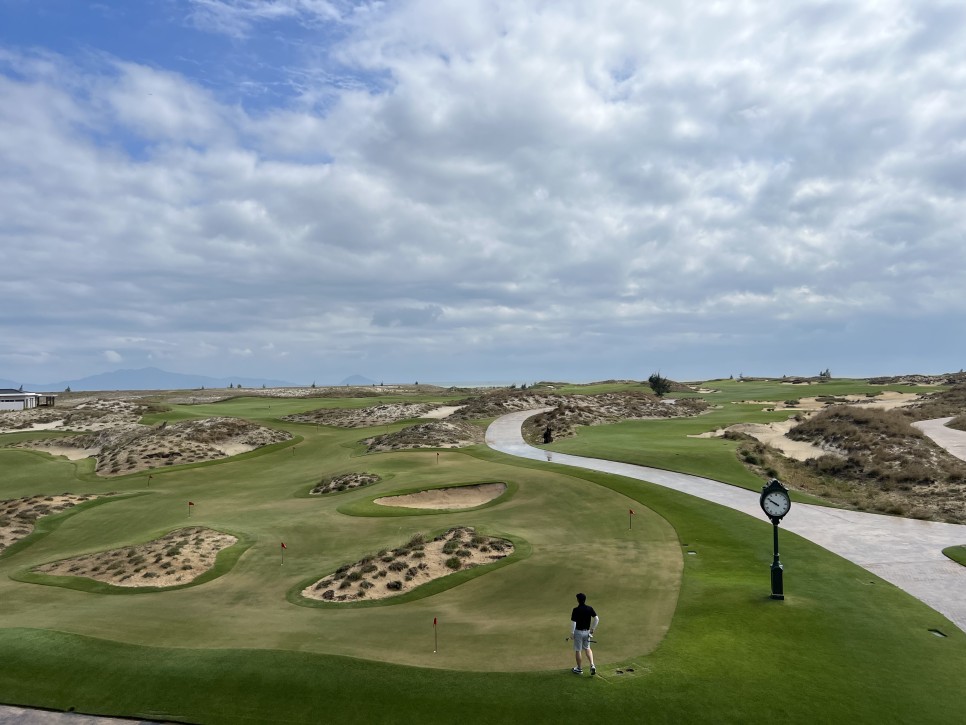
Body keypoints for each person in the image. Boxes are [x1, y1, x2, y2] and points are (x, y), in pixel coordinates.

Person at [569, 592, 599, 675]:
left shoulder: (576, 610)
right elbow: (596, 619)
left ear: (578, 600)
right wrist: (592, 629)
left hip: (578, 632)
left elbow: (573, 622)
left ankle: (579, 669)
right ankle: (592, 665)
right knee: (587, 648)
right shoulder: (589, 608)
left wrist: (572, 633)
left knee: (578, 650)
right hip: (587, 632)